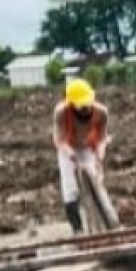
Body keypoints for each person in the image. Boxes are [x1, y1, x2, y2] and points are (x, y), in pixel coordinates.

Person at [53, 77, 119, 234]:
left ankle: (110, 222)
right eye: (81, 105)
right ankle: (77, 228)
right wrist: (73, 157)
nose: (86, 108)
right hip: (68, 149)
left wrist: (99, 155)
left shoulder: (101, 112)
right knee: (70, 188)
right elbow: (60, 141)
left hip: (87, 148)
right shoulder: (61, 113)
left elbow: (102, 138)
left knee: (96, 181)